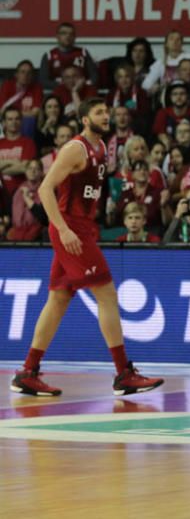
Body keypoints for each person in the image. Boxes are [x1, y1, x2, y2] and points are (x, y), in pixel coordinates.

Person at [10, 98, 163, 397]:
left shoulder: (104, 149)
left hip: (82, 227)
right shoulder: (75, 148)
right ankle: (123, 374)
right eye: (99, 113)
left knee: (58, 299)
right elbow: (44, 189)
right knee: (106, 293)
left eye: (107, 112)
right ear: (84, 119)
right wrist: (64, 229)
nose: (106, 116)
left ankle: (28, 371)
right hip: (71, 228)